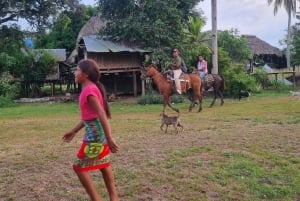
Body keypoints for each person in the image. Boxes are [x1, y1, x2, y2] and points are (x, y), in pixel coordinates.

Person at [62, 59, 119, 201]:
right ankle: (114, 197)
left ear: (85, 74)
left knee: (79, 167)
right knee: (103, 164)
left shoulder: (89, 91)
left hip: (95, 136)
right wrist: (74, 131)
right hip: (99, 134)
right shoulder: (92, 89)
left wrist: (109, 137)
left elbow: (101, 114)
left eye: (77, 70)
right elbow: (89, 117)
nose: (75, 73)